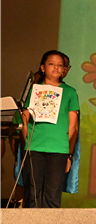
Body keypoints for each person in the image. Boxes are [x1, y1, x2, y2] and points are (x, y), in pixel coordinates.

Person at [21, 50, 79, 208]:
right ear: (43, 67)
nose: (56, 67)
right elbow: (25, 119)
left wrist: (67, 151)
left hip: (58, 149)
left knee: (53, 194)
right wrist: (27, 143)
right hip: (34, 148)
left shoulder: (70, 92)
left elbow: (73, 125)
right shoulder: (33, 90)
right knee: (33, 193)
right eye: (51, 64)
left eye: (60, 65)